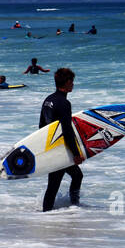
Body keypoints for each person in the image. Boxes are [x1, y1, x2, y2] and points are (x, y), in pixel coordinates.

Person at [40, 68, 83, 212]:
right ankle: (50, 212)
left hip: (49, 145)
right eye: (72, 81)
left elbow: (41, 126)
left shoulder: (48, 99)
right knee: (54, 183)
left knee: (76, 175)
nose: (73, 85)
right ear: (68, 81)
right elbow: (67, 131)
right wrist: (76, 154)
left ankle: (73, 206)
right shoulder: (64, 103)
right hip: (59, 148)